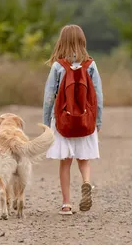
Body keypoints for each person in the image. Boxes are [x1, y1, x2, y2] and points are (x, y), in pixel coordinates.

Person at [42, 24, 103, 215]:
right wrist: (97, 121)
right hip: (85, 120)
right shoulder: (90, 65)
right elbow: (98, 97)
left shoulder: (58, 66)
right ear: (82, 41)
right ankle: (86, 183)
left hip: (63, 122)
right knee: (83, 160)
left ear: (62, 42)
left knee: (65, 162)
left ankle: (66, 204)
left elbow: (49, 97)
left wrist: (46, 123)